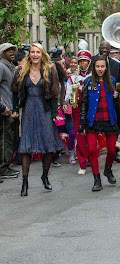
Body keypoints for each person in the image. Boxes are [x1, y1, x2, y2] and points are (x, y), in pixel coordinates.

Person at [12, 43, 65, 196]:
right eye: (32, 52)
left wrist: (55, 113)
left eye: (38, 52)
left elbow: (55, 93)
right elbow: (15, 92)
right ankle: (25, 182)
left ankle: (45, 175)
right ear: (29, 54)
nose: (35, 55)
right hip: (28, 110)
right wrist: (15, 109)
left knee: (49, 145)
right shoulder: (21, 70)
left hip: (45, 110)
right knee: (26, 147)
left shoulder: (49, 70)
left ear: (42, 54)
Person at [79, 55, 119, 192]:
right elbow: (84, 103)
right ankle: (97, 178)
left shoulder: (112, 81)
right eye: (97, 66)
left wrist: (116, 97)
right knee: (91, 150)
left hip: (109, 119)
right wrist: (82, 124)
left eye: (102, 66)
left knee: (113, 149)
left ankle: (108, 169)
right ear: (93, 67)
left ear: (106, 67)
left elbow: (115, 103)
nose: (100, 69)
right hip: (92, 120)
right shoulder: (88, 82)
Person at [97, 41, 120, 163]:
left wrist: (118, 86)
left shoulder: (115, 65)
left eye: (107, 48)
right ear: (99, 48)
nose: (104, 50)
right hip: (97, 100)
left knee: (115, 127)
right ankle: (91, 153)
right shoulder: (93, 61)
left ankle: (116, 152)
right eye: (102, 47)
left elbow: (118, 81)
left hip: (112, 101)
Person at [0, 43, 19, 181]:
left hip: (11, 109)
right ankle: (3, 168)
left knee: (11, 139)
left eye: (13, 50)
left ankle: (5, 166)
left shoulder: (9, 66)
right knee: (5, 140)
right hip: (4, 111)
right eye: (8, 50)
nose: (12, 52)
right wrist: (2, 107)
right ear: (2, 53)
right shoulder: (1, 66)